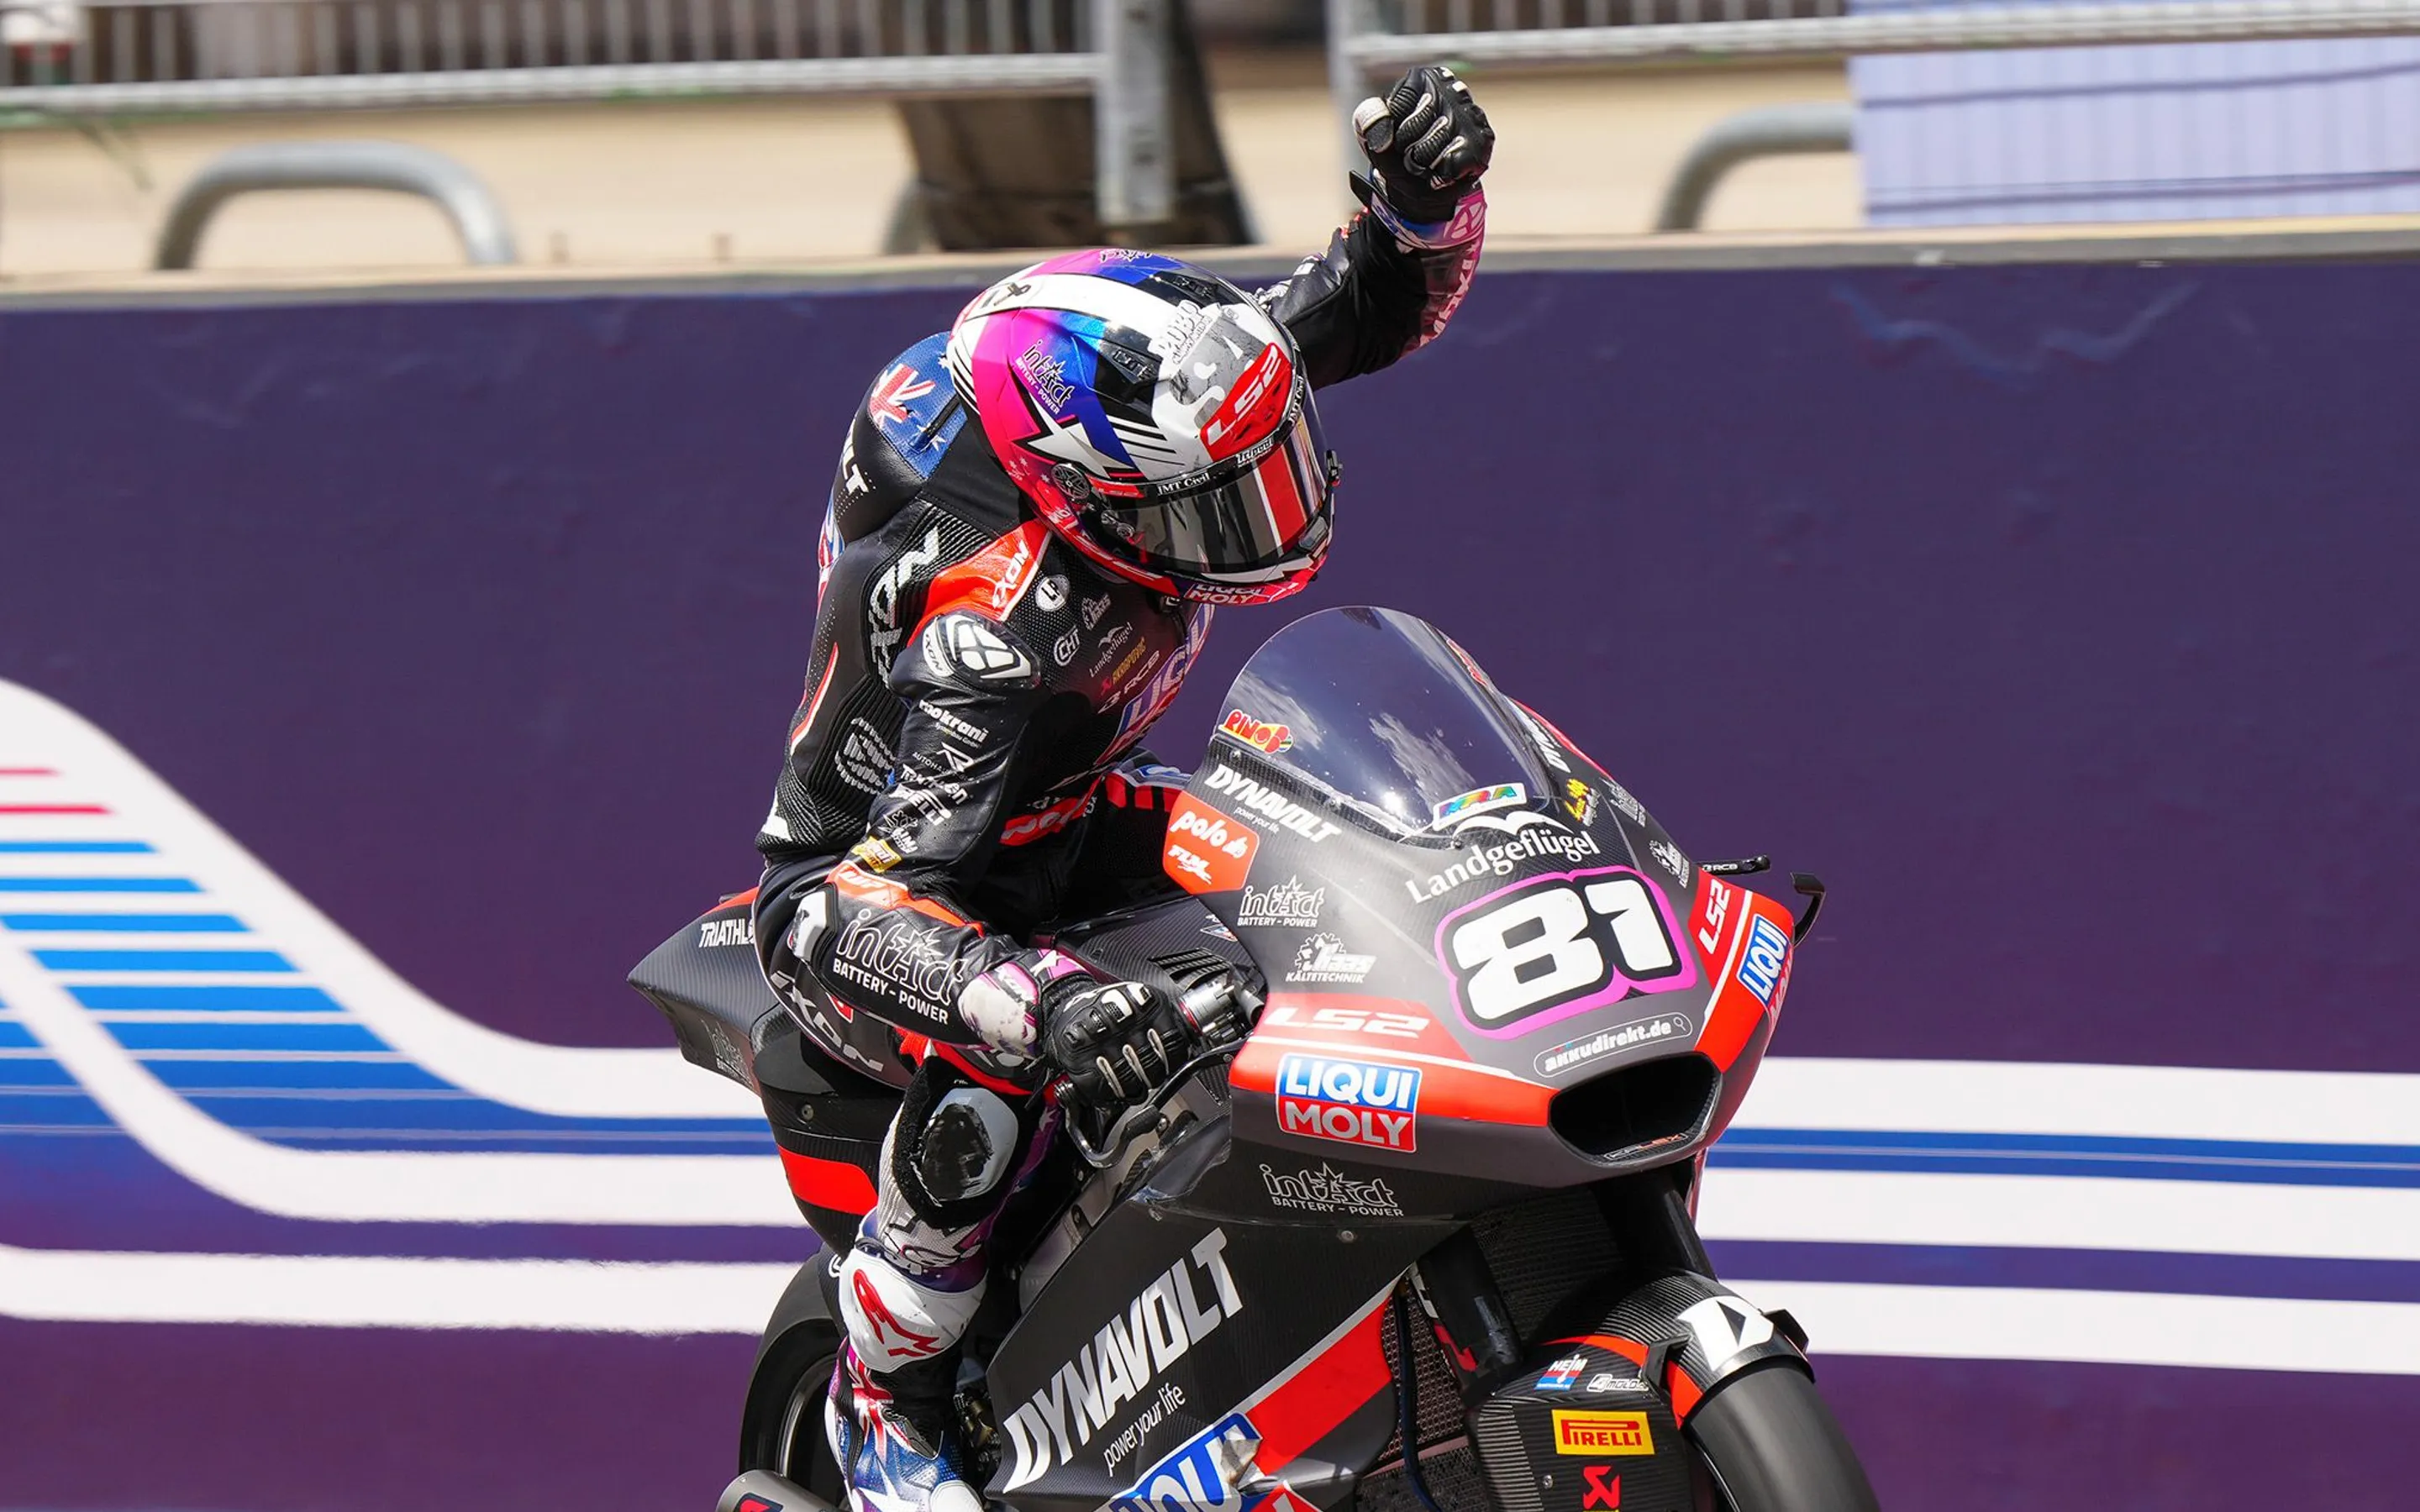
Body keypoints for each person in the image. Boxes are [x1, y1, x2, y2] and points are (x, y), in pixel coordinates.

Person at [747, 64, 1496, 1512]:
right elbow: (887, 893)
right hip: (875, 894)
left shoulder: (1164, 391)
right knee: (1007, 1053)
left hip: (1075, 808)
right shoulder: (990, 628)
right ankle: (885, 1404)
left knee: (1340, 852)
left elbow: (1361, 307)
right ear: (1082, 494)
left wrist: (1426, 208)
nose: (1264, 515)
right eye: (1222, 508)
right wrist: (1056, 1004)